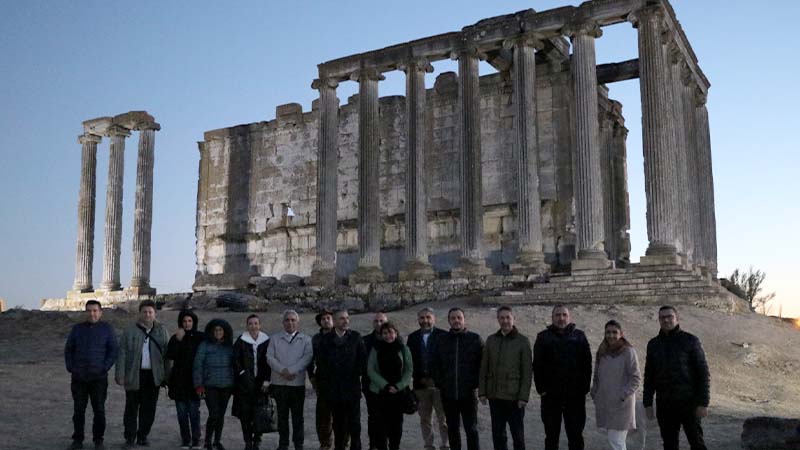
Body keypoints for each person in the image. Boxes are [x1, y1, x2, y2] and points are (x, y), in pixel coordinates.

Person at [643, 306, 710, 450]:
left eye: (669, 316)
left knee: (697, 443)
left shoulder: (690, 340)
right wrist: (647, 403)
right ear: (659, 320)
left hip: (689, 402)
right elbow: (649, 375)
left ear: (677, 318)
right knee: (669, 444)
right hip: (665, 404)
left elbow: (703, 373)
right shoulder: (653, 344)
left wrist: (703, 403)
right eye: (662, 317)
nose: (666, 320)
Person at [532, 305, 592, 450]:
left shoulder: (579, 336)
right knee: (551, 436)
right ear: (552, 318)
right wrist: (542, 390)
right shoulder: (543, 337)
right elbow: (537, 366)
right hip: (551, 397)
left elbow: (587, 364)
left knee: (576, 435)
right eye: (557, 315)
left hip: (575, 397)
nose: (561, 318)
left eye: (564, 315)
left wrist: (583, 389)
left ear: (569, 317)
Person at [64, 300, 118, 450]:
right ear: (85, 312)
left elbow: (113, 350)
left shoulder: (107, 329)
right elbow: (69, 349)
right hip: (79, 378)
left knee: (99, 410)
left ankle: (98, 440)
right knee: (79, 410)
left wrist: (105, 367)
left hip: (98, 378)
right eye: (89, 310)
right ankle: (77, 440)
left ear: (100, 312)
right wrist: (71, 367)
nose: (92, 313)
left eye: (95, 310)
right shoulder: (77, 329)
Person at [116, 300, 170, 448]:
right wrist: (120, 374)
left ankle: (143, 436)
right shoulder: (130, 330)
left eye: (150, 312)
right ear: (140, 313)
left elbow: (167, 355)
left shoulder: (162, 330)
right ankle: (130, 438)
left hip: (153, 376)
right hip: (134, 374)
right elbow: (122, 353)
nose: (147, 314)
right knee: (131, 408)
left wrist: (167, 377)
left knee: (149, 409)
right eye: (144, 312)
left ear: (155, 314)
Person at [479, 306, 532, 450]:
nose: (505, 321)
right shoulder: (491, 340)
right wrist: (482, 392)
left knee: (518, 435)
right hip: (495, 397)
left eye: (508, 317)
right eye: (501, 318)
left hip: (514, 397)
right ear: (497, 319)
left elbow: (527, 372)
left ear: (513, 319)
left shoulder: (522, 341)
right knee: (498, 435)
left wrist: (523, 397)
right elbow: (484, 367)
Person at [431, 307, 484, 450]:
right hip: (448, 394)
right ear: (449, 320)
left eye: (459, 317)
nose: (456, 321)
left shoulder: (475, 339)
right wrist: (441, 383)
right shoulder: (441, 340)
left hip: (468, 393)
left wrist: (475, 383)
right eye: (453, 318)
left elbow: (483, 365)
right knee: (453, 429)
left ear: (464, 319)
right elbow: (435, 364)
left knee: (471, 429)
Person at [317, 309, 367, 450]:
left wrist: (353, 373)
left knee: (355, 425)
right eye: (342, 319)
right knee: (338, 426)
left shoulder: (356, 337)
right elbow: (321, 364)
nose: (345, 321)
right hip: (334, 390)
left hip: (352, 389)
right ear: (335, 321)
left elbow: (362, 360)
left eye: (347, 318)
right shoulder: (325, 340)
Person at [590, 320, 641, 450]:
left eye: (614, 332)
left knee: (616, 441)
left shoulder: (628, 351)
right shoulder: (602, 352)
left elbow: (636, 378)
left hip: (621, 405)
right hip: (605, 403)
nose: (611, 335)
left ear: (621, 334)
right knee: (615, 440)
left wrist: (622, 395)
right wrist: (595, 392)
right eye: (608, 332)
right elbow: (596, 376)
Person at [267, 310, 314, 450]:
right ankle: (283, 444)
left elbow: (307, 358)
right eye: (287, 320)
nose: (290, 322)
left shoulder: (306, 340)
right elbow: (270, 357)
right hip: (279, 383)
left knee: (297, 417)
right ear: (283, 322)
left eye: (293, 320)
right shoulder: (274, 339)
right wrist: (283, 370)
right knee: (282, 417)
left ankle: (298, 444)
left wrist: (292, 371)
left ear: (297, 322)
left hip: (296, 383)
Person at [366, 321, 413, 450]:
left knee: (396, 427)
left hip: (398, 394)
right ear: (381, 335)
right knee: (380, 428)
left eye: (391, 332)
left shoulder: (403, 349)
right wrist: (385, 386)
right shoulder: (376, 349)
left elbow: (409, 371)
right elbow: (370, 370)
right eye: (385, 333)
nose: (388, 335)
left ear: (396, 333)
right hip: (380, 394)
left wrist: (398, 386)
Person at [407, 307, 449, 450]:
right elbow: (409, 362)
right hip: (420, 385)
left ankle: (445, 444)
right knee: (425, 419)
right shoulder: (412, 338)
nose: (425, 321)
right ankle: (428, 445)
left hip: (439, 386)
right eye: (422, 318)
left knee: (443, 418)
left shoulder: (443, 335)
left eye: (428, 317)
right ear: (418, 320)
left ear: (434, 319)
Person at [194, 318, 235, 450]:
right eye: (215, 330)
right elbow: (197, 365)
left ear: (225, 331)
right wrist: (198, 385)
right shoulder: (204, 345)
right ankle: (207, 441)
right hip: (210, 385)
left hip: (227, 385)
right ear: (211, 331)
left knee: (221, 415)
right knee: (214, 414)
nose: (218, 332)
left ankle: (217, 441)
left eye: (220, 330)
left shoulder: (230, 346)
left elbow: (235, 365)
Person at [167, 310, 205, 449]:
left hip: (194, 381)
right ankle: (185, 439)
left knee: (194, 412)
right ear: (180, 323)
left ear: (194, 322)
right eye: (184, 321)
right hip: (178, 381)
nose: (187, 324)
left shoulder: (201, 337)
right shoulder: (176, 337)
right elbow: (170, 355)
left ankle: (196, 439)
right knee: (182, 413)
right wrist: (178, 340)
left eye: (189, 321)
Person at [232, 314, 271, 450]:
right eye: (250, 324)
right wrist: (242, 373)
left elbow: (270, 361)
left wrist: (267, 380)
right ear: (247, 325)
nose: (253, 326)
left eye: (256, 323)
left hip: (261, 385)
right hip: (244, 385)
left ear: (259, 325)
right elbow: (235, 359)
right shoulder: (242, 340)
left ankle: (257, 440)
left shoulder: (266, 340)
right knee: (245, 415)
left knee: (259, 413)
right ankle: (248, 441)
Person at [308, 310, 335, 450]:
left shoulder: (342, 336)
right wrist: (311, 376)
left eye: (328, 318)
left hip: (340, 381)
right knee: (323, 416)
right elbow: (310, 359)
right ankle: (325, 443)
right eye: (323, 319)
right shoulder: (316, 339)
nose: (326, 320)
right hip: (323, 381)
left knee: (341, 415)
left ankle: (344, 443)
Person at [362, 312, 388, 450]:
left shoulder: (395, 339)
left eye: (382, 321)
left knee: (387, 416)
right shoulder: (365, 341)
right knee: (373, 417)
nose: (379, 324)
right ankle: (373, 445)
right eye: (376, 321)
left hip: (389, 387)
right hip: (370, 386)